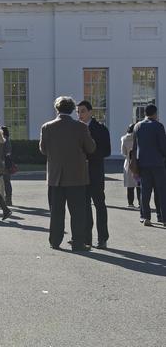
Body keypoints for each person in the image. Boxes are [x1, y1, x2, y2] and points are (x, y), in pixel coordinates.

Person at [40, 96, 96, 251]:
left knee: (56, 212)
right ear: (72, 109)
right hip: (77, 176)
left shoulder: (47, 127)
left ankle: (55, 240)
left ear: (57, 109)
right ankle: (78, 242)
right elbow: (91, 148)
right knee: (78, 212)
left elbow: (43, 149)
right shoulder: (81, 127)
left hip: (55, 176)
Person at [77, 100, 111, 249]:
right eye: (78, 111)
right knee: (84, 207)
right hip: (80, 174)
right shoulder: (76, 128)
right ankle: (87, 238)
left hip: (95, 172)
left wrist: (89, 155)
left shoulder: (100, 128)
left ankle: (102, 238)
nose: (80, 114)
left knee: (99, 205)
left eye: (83, 111)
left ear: (90, 112)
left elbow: (107, 151)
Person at [133, 104, 166, 226]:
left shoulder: (138, 126)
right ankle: (163, 217)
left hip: (143, 163)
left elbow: (135, 146)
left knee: (145, 192)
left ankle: (145, 216)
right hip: (158, 163)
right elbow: (163, 146)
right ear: (155, 113)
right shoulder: (158, 126)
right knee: (162, 191)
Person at [121, 124, 141, 208]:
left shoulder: (124, 138)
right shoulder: (138, 138)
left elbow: (123, 153)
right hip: (138, 163)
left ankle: (130, 203)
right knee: (139, 184)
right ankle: (140, 203)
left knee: (130, 185)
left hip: (128, 163)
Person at [1, 126, 14, 206]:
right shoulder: (6, 139)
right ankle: (8, 199)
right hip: (5, 162)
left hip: (4, 163)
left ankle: (8, 199)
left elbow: (7, 152)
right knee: (6, 182)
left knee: (6, 182)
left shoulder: (5, 140)